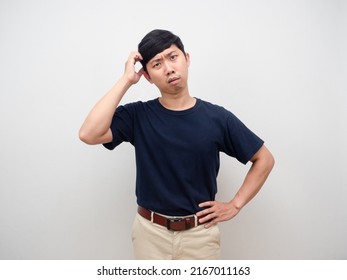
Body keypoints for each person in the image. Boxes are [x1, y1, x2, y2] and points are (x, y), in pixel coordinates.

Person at [79, 29, 275, 260]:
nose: (169, 68)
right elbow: (88, 134)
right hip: (150, 234)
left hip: (200, 236)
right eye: (157, 63)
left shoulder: (218, 118)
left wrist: (236, 204)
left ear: (187, 59)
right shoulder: (138, 116)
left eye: (173, 57)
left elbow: (264, 159)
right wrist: (126, 80)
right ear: (148, 76)